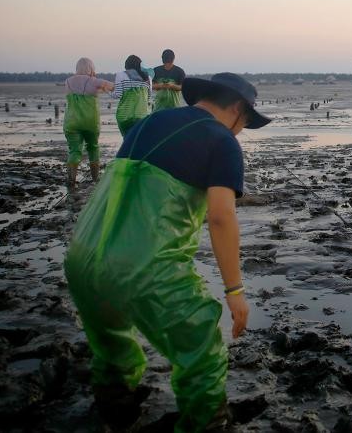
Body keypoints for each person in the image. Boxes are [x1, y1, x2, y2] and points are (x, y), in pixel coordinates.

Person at [64, 73, 271, 432]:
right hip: (144, 268)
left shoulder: (149, 121)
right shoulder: (222, 141)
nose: (241, 131)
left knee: (112, 350)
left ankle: (116, 411)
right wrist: (235, 290)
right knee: (202, 345)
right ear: (237, 108)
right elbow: (221, 218)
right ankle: (206, 423)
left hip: (83, 257)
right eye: (246, 123)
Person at [63, 58, 114, 188]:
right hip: (91, 122)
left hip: (72, 122)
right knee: (93, 147)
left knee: (74, 150)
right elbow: (112, 87)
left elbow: (77, 91)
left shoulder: (68, 81)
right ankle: (95, 179)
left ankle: (71, 180)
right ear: (90, 68)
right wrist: (100, 87)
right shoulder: (95, 81)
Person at [113, 55, 152, 136]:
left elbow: (117, 95)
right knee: (138, 141)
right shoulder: (147, 77)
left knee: (127, 141)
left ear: (126, 65)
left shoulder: (120, 75)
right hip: (141, 116)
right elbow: (148, 97)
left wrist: (106, 90)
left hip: (124, 116)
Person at [152, 48, 186, 112]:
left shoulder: (179, 71)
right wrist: (161, 85)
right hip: (158, 107)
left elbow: (183, 87)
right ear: (173, 58)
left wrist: (172, 86)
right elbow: (151, 86)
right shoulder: (156, 70)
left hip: (174, 107)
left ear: (162, 58)